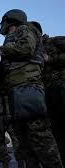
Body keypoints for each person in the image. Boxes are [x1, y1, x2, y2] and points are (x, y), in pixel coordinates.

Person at [0, 9, 63, 167]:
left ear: (10, 20)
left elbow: (26, 48)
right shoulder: (12, 37)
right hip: (17, 92)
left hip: (28, 89)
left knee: (41, 138)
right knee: (25, 143)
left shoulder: (25, 29)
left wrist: (2, 49)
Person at [43, 34, 65, 165]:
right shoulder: (35, 48)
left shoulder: (54, 41)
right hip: (49, 91)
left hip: (61, 87)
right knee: (57, 131)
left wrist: (50, 58)